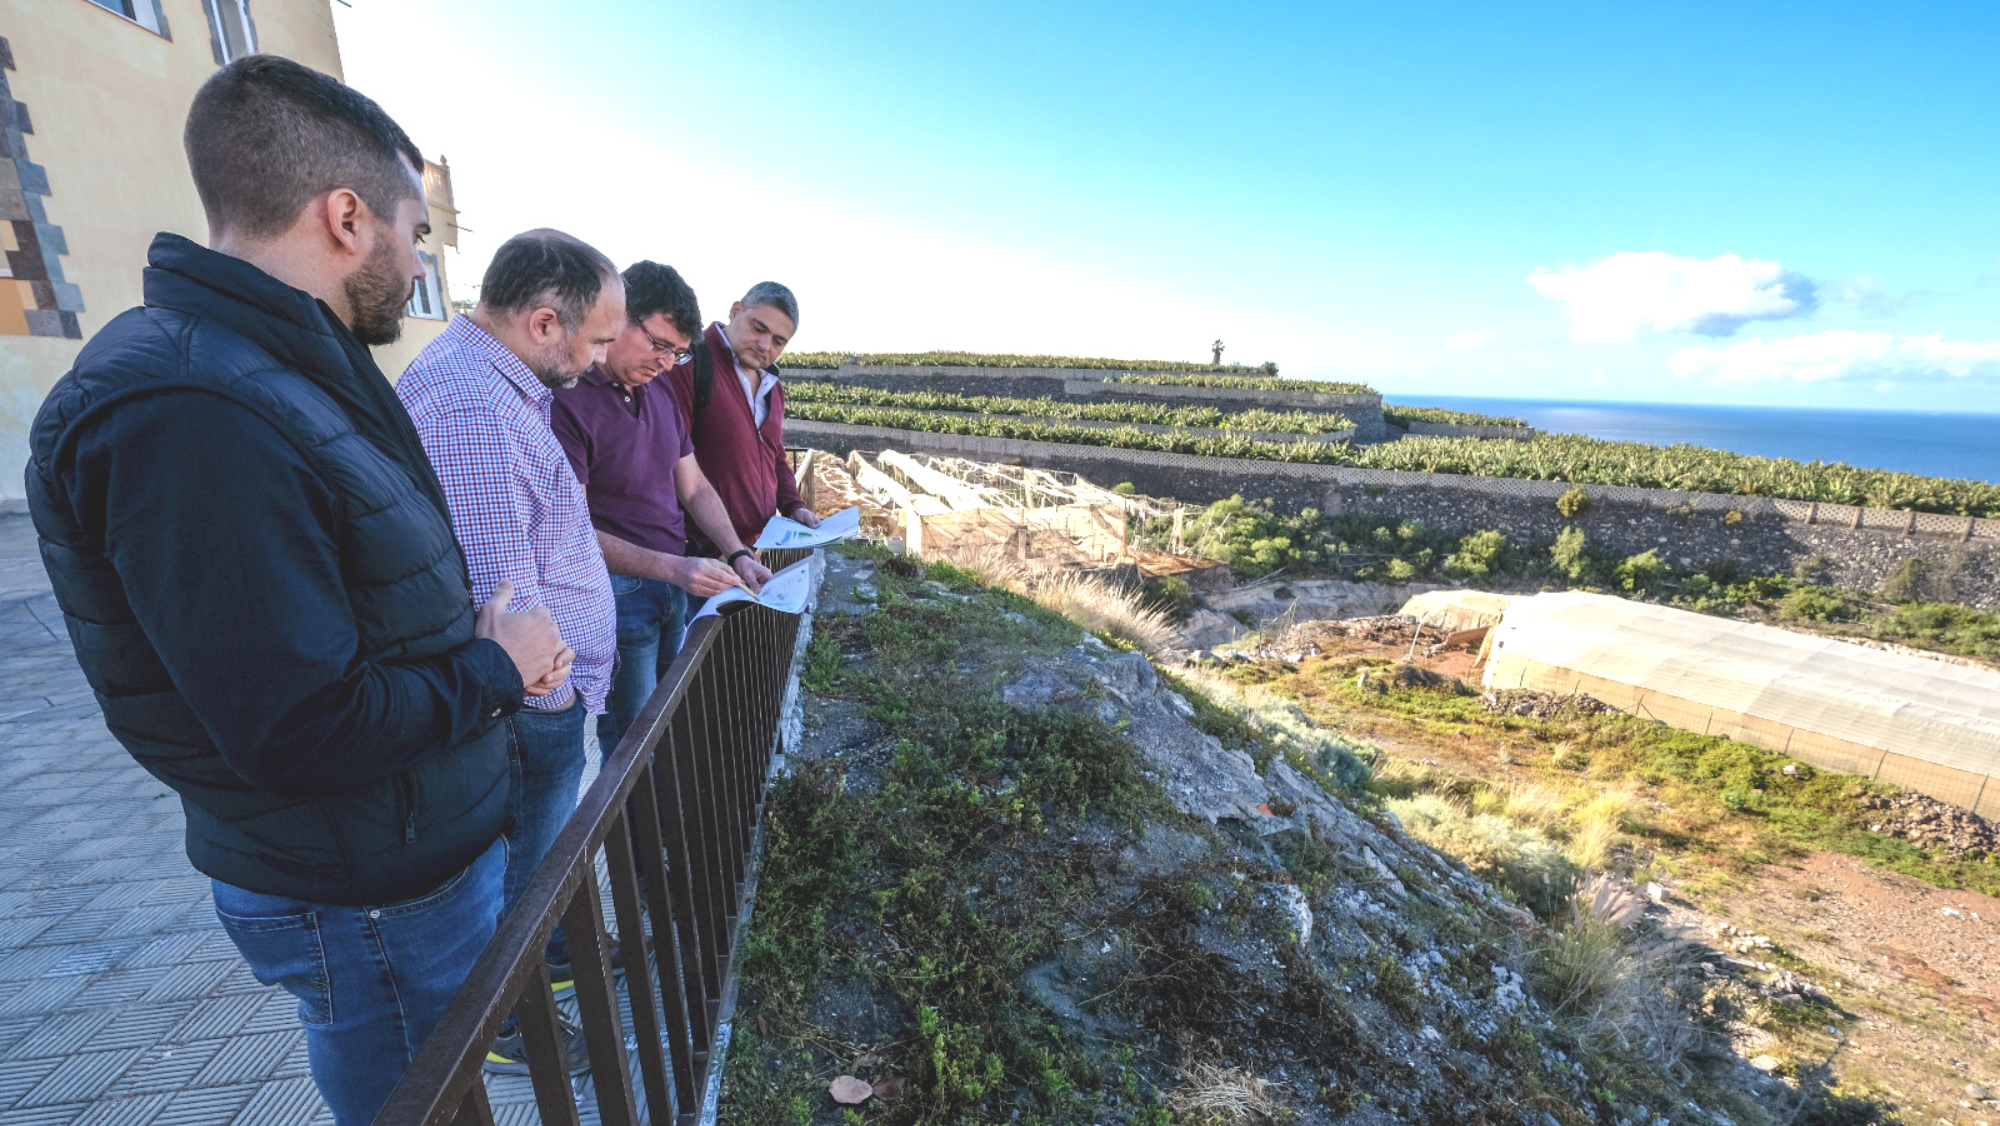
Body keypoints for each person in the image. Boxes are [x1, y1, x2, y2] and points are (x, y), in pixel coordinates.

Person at [23, 57, 570, 1126]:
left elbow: (340, 607)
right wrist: (496, 667)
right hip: (365, 887)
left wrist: (462, 635)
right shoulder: (191, 403)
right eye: (415, 233)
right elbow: (298, 726)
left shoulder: (274, 368)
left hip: (393, 859)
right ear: (346, 214)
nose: (418, 266)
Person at [395, 229, 623, 1075]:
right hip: (530, 706)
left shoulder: (494, 387)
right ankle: (506, 1020)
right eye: (597, 338)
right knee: (524, 879)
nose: (602, 359)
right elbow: (503, 603)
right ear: (542, 322)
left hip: (531, 699)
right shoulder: (475, 411)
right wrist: (556, 703)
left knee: (530, 873)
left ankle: (522, 984)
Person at [551, 261, 773, 749]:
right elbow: (570, 531)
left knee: (662, 718)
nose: (667, 364)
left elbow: (694, 488)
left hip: (673, 582)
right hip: (621, 594)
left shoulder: (657, 394)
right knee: (631, 739)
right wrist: (673, 568)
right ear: (619, 318)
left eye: (678, 353)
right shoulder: (566, 399)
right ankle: (628, 827)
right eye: (659, 345)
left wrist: (736, 552)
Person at [668, 281, 820, 555]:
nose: (764, 345)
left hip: (750, 553)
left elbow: (774, 456)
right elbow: (672, 463)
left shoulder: (772, 386)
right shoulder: (689, 365)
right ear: (736, 311)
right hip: (700, 556)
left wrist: (794, 506)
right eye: (758, 328)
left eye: (778, 341)